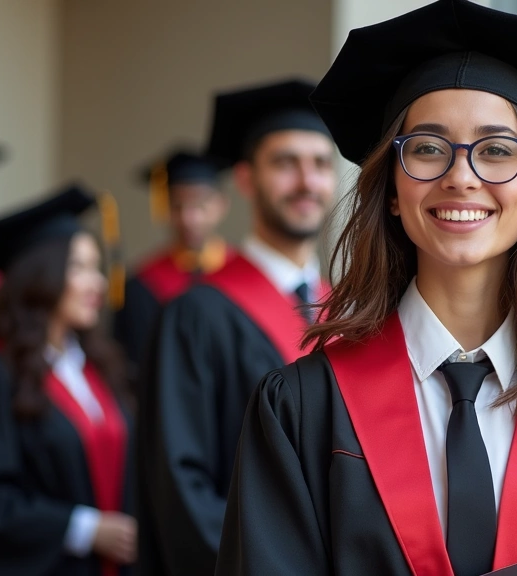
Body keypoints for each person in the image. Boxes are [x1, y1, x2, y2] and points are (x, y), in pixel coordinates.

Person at [215, 2, 517, 575]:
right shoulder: (302, 412)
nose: (461, 176)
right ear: (392, 189)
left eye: (496, 150)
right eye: (427, 149)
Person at [138, 79, 338, 576]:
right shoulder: (197, 314)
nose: (306, 182)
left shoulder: (351, 314)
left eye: (320, 163)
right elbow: (179, 484)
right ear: (246, 179)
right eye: (285, 162)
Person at [0, 185, 138, 576]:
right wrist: (82, 529)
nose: (97, 283)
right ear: (39, 275)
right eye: (78, 268)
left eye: (96, 267)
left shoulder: (99, 367)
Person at [113, 149, 232, 377]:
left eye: (200, 206)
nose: (189, 219)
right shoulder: (143, 286)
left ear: (221, 206)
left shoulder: (246, 276)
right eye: (177, 206)